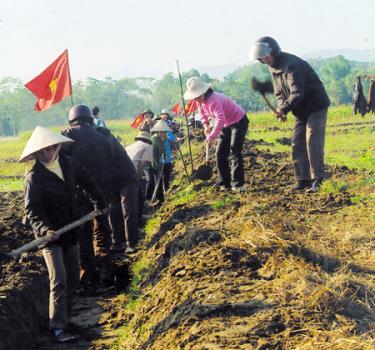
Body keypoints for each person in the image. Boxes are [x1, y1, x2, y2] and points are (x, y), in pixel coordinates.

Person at [21, 126, 105, 343]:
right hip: (50, 237)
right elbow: (33, 210)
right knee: (59, 280)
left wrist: (99, 201)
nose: (46, 155)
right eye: (41, 152)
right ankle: (57, 327)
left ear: (57, 146)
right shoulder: (34, 177)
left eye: (49, 149)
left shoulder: (69, 164)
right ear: (35, 154)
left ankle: (66, 319)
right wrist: (44, 230)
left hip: (70, 230)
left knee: (73, 278)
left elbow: (88, 182)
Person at [250, 36, 330, 192]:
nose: (265, 60)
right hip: (300, 109)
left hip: (315, 106)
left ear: (274, 51)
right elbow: (279, 93)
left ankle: (318, 180)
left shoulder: (292, 65)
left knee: (312, 140)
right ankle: (303, 180)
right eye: (261, 58)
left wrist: (283, 109)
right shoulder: (272, 67)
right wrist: (281, 107)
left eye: (266, 56)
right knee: (297, 143)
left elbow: (297, 93)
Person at [62, 105, 113, 284]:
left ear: (72, 119)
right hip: (102, 190)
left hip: (80, 192)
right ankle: (105, 268)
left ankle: (89, 274)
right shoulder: (103, 136)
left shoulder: (66, 136)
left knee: (84, 233)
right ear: (91, 119)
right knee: (102, 228)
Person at [184, 76, 249, 192]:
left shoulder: (213, 100)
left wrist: (212, 136)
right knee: (220, 153)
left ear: (203, 92)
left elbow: (220, 119)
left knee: (234, 151)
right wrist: (206, 125)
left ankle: (239, 184)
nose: (195, 100)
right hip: (226, 124)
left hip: (238, 121)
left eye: (196, 96)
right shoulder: (200, 101)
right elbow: (202, 114)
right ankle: (224, 183)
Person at [125, 132, 154, 225]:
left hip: (121, 173)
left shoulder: (130, 146)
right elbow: (142, 163)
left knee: (128, 198)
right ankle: (137, 220)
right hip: (132, 173)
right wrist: (138, 176)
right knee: (138, 199)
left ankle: (132, 220)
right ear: (148, 141)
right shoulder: (148, 147)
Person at [145, 121, 171, 203]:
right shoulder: (154, 140)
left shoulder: (162, 139)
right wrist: (157, 168)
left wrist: (163, 156)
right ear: (157, 132)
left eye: (163, 132)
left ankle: (160, 200)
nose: (162, 133)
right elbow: (153, 156)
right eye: (160, 132)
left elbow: (162, 151)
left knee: (158, 181)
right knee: (151, 181)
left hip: (156, 162)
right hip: (148, 163)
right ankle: (148, 199)